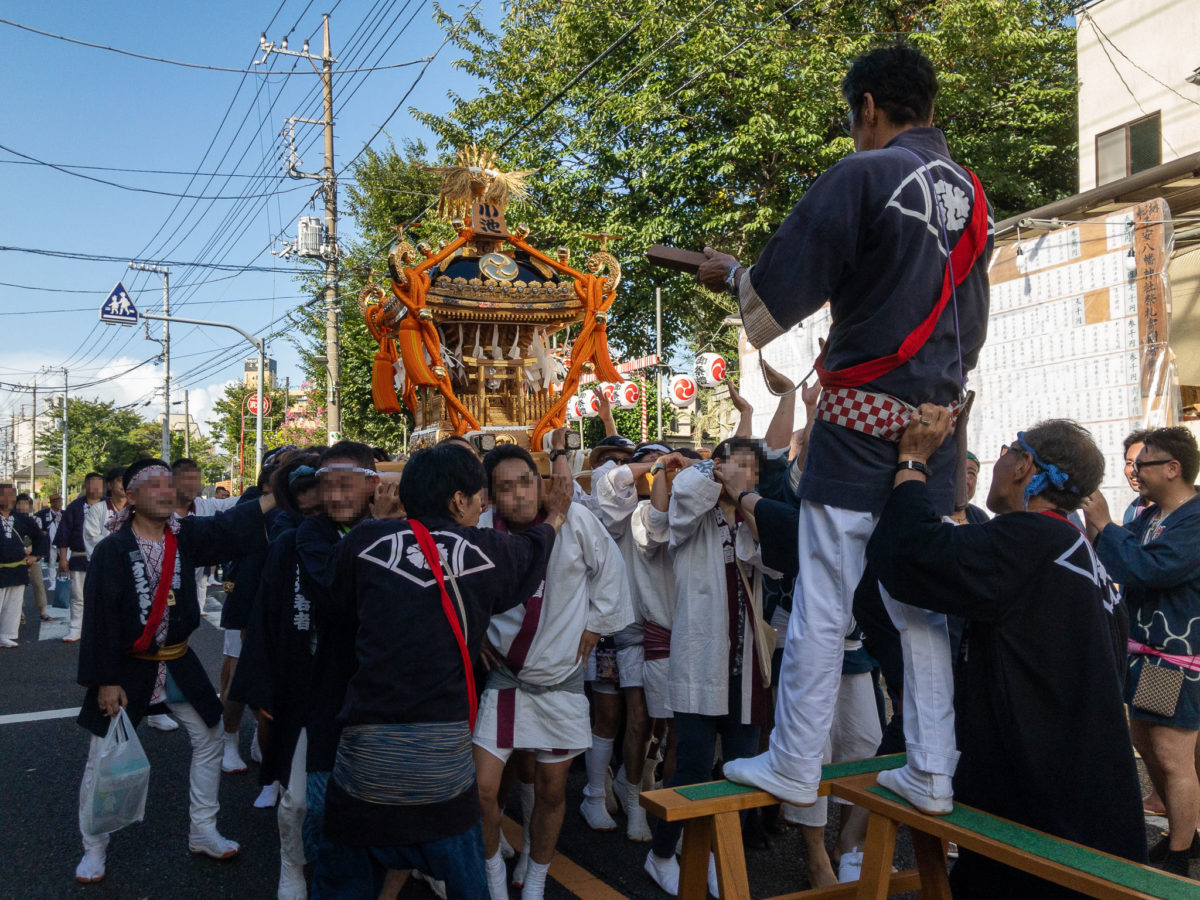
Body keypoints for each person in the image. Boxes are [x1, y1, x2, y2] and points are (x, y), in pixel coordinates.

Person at [700, 43, 992, 814]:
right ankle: (933, 769)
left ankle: (795, 760)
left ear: (867, 108)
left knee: (826, 591)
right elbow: (975, 325)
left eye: (852, 117)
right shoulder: (973, 196)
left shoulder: (865, 174)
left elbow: (775, 298)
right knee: (917, 596)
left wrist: (730, 275)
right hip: (935, 422)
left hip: (862, 416)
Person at [868, 412, 1147, 894]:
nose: (997, 465)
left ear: (1023, 466)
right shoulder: (1077, 548)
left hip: (1042, 816)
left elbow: (910, 555)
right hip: (1084, 799)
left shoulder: (1034, 538)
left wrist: (912, 462)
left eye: (1004, 453)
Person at [310, 442, 572, 900]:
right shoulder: (487, 549)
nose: (483, 505)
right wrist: (556, 515)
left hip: (364, 759)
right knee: (466, 880)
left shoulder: (362, 542)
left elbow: (335, 606)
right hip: (442, 769)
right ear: (458, 502)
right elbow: (534, 549)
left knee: (344, 884)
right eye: (478, 497)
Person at [73, 458, 276, 884]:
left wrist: (278, 497)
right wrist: (105, 680)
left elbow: (230, 527)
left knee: (210, 736)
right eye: (155, 486)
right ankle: (94, 847)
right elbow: (100, 621)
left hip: (178, 659)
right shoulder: (113, 549)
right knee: (104, 756)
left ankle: (203, 830)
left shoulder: (185, 537)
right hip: (125, 669)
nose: (167, 492)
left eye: (170, 485)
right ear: (130, 497)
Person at [475, 435, 633, 900]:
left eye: (526, 481)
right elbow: (465, 588)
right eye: (506, 487)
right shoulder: (485, 528)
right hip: (506, 680)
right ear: (491, 495)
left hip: (561, 680)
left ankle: (537, 877)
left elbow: (611, 571)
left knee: (551, 790)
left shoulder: (578, 520)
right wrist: (477, 630)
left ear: (541, 482)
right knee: (482, 789)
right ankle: (493, 877)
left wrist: (599, 623)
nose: (520, 494)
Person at [643, 440, 773, 896]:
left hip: (745, 665)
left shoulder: (754, 517)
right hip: (701, 659)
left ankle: (721, 856)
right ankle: (660, 852)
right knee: (694, 766)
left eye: (752, 470)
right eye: (736, 466)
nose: (745, 475)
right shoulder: (692, 513)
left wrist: (746, 501)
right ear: (716, 469)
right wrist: (710, 471)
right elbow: (681, 500)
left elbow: (773, 564)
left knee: (740, 769)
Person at [1086, 426, 1200, 877]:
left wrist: (1106, 526)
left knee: (1172, 755)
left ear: (1173, 468)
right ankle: (1181, 837)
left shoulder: (1194, 518)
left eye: (1143, 463)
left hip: (1174, 656)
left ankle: (1180, 853)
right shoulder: (1150, 514)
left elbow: (1150, 568)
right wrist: (1108, 531)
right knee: (1148, 745)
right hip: (1147, 652)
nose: (1134, 472)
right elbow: (1119, 558)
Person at [239, 453, 323, 900]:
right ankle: (290, 863)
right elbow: (263, 620)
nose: (313, 509)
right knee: (295, 796)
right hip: (299, 683)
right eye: (303, 503)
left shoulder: (362, 537)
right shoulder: (285, 547)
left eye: (321, 498)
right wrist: (262, 688)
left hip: (354, 689)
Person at [298, 441, 380, 870]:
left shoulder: (400, 524)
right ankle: (321, 874)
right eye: (326, 486)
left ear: (373, 484)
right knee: (320, 799)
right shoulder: (312, 533)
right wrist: (378, 529)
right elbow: (334, 596)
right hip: (330, 679)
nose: (333, 496)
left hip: (386, 683)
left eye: (345, 486)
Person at [588, 441, 674, 842]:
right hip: (613, 627)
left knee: (651, 719)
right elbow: (609, 484)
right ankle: (596, 791)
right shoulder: (615, 512)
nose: (629, 471)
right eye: (629, 464)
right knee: (614, 716)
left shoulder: (678, 506)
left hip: (657, 629)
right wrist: (651, 465)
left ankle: (628, 779)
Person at [57, 472, 105, 643]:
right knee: (78, 595)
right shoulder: (75, 507)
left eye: (99, 484)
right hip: (79, 556)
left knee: (104, 596)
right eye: (92, 484)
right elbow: (64, 533)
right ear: (85, 486)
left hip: (105, 559)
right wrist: (63, 558)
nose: (96, 488)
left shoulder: (109, 506)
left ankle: (100, 630)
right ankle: (76, 628)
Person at [0, 484, 49, 647]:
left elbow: (39, 537)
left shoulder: (22, 519)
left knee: (13, 603)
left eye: (11, 495)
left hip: (17, 568)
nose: (8, 499)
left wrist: (35, 556)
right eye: (3, 495)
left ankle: (6, 634)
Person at [14, 492, 51, 624]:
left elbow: (38, 537)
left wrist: (34, 555)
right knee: (18, 586)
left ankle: (42, 611)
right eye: (19, 503)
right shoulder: (11, 519)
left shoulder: (36, 519)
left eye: (25, 504)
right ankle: (19, 614)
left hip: (33, 556)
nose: (22, 506)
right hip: (17, 558)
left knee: (38, 583)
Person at [1121, 429, 1153, 525]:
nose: (1133, 470)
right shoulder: (1132, 510)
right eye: (1129, 463)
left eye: (1140, 463)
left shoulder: (1176, 509)